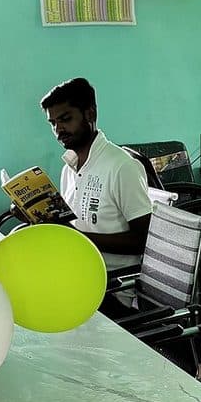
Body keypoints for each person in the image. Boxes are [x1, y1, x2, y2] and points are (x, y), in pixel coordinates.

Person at [41, 77, 152, 271]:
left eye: (66, 119)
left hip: (112, 282)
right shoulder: (69, 168)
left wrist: (78, 236)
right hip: (76, 266)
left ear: (90, 114)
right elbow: (72, 223)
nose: (58, 129)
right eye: (53, 123)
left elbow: (144, 240)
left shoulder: (121, 167)